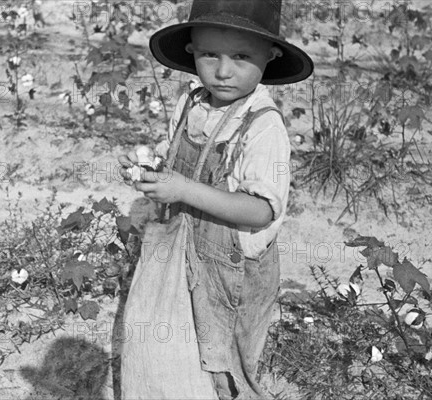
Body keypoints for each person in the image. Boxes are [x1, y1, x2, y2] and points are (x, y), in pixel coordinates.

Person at [119, 0, 313, 398]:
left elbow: (260, 211)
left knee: (224, 365)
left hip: (232, 272)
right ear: (191, 50)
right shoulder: (192, 102)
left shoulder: (262, 126)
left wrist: (184, 190)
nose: (223, 71)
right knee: (173, 350)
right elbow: (178, 157)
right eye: (210, 54)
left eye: (242, 56)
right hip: (182, 251)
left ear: (270, 56)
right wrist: (152, 170)